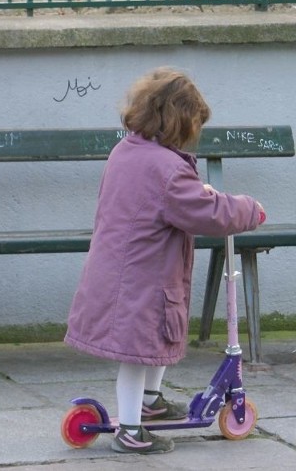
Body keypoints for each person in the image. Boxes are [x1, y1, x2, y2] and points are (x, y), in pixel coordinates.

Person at [64, 68, 265, 455]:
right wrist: (248, 209)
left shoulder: (129, 150)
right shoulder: (168, 168)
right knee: (137, 353)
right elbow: (207, 214)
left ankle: (150, 402)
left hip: (127, 269)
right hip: (142, 278)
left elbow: (167, 199)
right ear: (178, 121)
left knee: (156, 340)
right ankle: (130, 429)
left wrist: (193, 189)